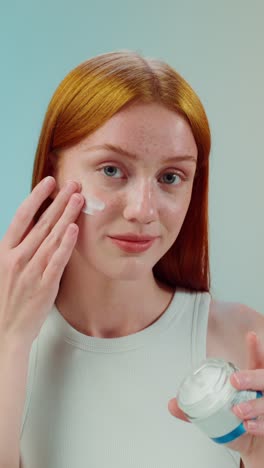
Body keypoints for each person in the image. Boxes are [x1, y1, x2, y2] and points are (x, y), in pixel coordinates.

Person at [0, 50, 263, 468]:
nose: (143, 210)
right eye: (111, 170)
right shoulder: (7, 344)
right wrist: (10, 342)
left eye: (170, 177)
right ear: (54, 169)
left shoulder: (246, 344)